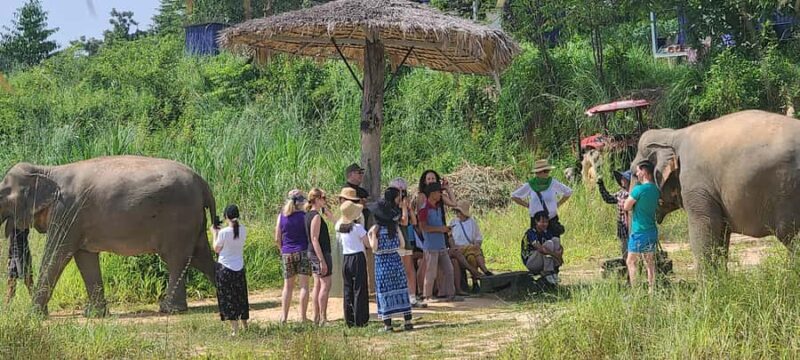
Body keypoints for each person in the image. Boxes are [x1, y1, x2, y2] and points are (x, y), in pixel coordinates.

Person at [368, 188, 414, 332]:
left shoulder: (376, 230)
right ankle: (408, 321)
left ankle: (388, 325)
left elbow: (374, 248)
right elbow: (401, 244)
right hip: (395, 260)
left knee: (384, 292)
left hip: (382, 263)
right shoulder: (394, 227)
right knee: (401, 289)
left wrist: (371, 237)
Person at [418, 182, 461, 303]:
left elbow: (454, 203)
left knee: (449, 269)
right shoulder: (424, 209)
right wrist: (440, 229)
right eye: (438, 192)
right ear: (432, 194)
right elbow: (423, 227)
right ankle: (427, 296)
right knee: (431, 272)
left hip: (441, 244)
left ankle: (450, 293)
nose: (440, 194)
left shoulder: (437, 207)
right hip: (431, 246)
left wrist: (448, 189)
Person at [211, 204, 249, 336]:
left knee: (228, 298)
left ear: (226, 216)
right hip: (239, 267)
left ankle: (234, 329)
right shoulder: (243, 230)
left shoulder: (223, 233)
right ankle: (245, 325)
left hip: (225, 268)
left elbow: (216, 249)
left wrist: (214, 234)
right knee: (241, 297)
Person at [388, 178, 426, 308]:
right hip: (395, 241)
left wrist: (409, 209)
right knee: (397, 270)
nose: (402, 195)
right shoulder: (390, 208)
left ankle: (412, 297)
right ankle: (398, 297)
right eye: (399, 192)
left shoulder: (404, 206)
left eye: (403, 192)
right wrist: (403, 208)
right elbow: (403, 221)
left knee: (409, 269)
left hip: (406, 240)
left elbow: (414, 222)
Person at [624, 161, 661, 292]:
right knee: (649, 262)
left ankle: (636, 291)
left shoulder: (638, 189)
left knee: (631, 261)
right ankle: (651, 290)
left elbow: (626, 206)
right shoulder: (655, 190)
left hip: (639, 231)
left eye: (638, 171)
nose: (637, 174)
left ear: (644, 172)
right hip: (652, 230)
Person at [275, 189, 311, 323]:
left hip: (287, 252)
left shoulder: (281, 216)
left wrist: (282, 250)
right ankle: (303, 317)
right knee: (304, 286)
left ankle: (284, 317)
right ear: (300, 202)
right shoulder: (304, 216)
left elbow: (277, 238)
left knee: (287, 287)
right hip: (302, 250)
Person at [512, 159, 573, 236]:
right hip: (536, 221)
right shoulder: (530, 185)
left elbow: (568, 192)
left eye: (548, 171)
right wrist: (528, 205)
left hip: (551, 219)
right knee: (537, 245)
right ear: (538, 173)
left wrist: (558, 204)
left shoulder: (553, 183)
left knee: (553, 244)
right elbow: (514, 196)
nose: (548, 173)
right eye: (545, 171)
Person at [336, 200, 370, 327]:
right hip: (357, 257)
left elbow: (338, 222)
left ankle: (349, 319)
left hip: (346, 258)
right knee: (360, 288)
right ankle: (360, 319)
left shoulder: (340, 227)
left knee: (348, 288)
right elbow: (368, 244)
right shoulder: (358, 228)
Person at [305, 188, 335, 326]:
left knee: (317, 285)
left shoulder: (308, 215)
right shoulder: (315, 216)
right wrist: (322, 260)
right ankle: (323, 317)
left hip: (313, 252)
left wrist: (327, 213)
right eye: (323, 198)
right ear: (317, 199)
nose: (325, 200)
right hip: (320, 252)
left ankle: (317, 316)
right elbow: (315, 238)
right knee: (325, 284)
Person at [449, 200, 493, 293]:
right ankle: (484, 269)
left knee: (472, 257)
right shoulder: (453, 222)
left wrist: (476, 244)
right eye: (457, 211)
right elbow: (450, 237)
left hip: (470, 249)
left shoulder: (472, 222)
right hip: (458, 249)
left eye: (459, 212)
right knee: (474, 249)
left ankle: (475, 283)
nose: (458, 214)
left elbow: (478, 238)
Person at [521, 211, 564, 285]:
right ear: (536, 222)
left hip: (541, 259)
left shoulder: (546, 232)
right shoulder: (531, 232)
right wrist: (556, 256)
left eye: (546, 222)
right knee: (548, 244)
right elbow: (541, 249)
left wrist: (560, 253)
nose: (545, 224)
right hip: (531, 261)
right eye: (542, 222)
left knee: (555, 240)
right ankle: (548, 273)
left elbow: (557, 245)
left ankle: (554, 271)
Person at [598, 170, 632, 260]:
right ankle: (628, 271)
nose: (622, 180)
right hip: (623, 226)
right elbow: (608, 198)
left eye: (624, 178)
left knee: (635, 251)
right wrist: (601, 185)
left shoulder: (633, 193)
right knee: (625, 251)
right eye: (622, 178)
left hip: (633, 226)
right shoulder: (620, 193)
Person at [5, 222, 32, 305]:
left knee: (28, 280)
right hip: (14, 252)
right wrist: (10, 256)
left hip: (22, 250)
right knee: (11, 280)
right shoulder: (12, 216)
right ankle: (7, 309)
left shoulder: (22, 214)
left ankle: (40, 306)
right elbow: (12, 238)